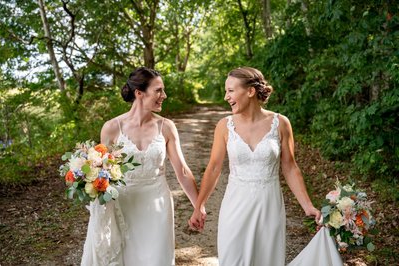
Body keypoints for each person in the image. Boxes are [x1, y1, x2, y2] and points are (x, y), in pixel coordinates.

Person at [189, 67, 321, 265]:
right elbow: (214, 168)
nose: (226, 97)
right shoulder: (224, 126)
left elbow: (290, 167)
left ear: (250, 91)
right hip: (235, 206)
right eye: (226, 91)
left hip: (269, 206)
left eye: (231, 91)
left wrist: (307, 205)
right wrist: (199, 206)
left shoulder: (281, 123)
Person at [81, 67, 199, 266]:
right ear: (139, 93)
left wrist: (198, 206)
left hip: (157, 205)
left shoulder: (167, 126)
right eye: (158, 90)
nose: (164, 95)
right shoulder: (112, 127)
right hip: (123, 206)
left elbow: (183, 171)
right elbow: (101, 171)